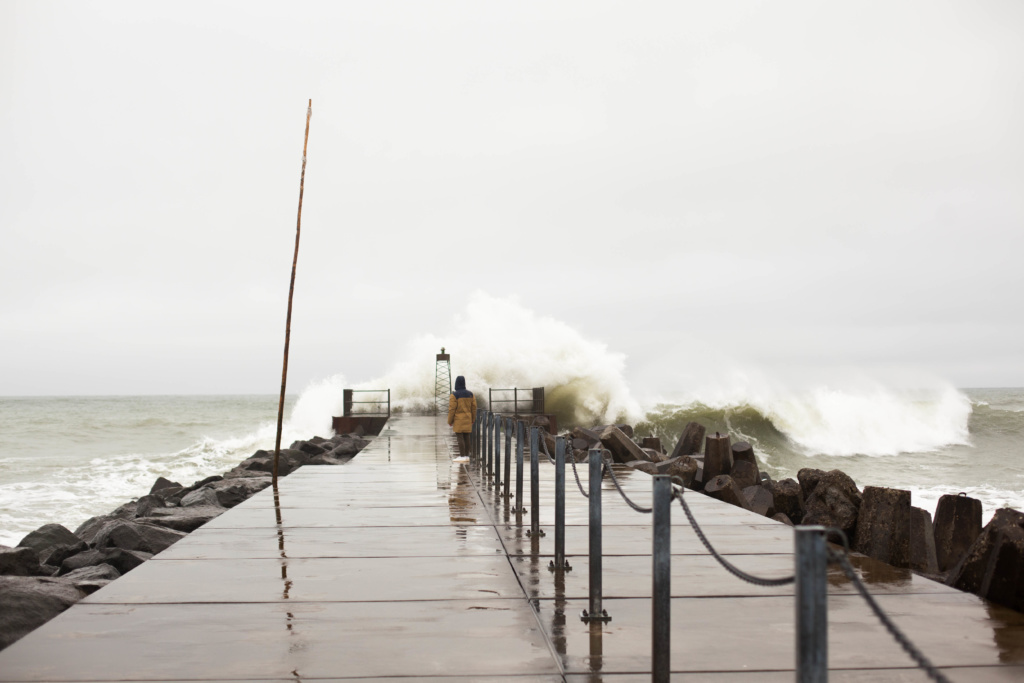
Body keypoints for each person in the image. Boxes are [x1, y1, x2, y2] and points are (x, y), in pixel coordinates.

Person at [447, 375, 477, 459]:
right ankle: (467, 455)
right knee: (467, 437)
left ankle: (462, 455)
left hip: (458, 419)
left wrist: (450, 421)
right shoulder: (471, 394)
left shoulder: (454, 395)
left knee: (460, 437)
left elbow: (452, 409)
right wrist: (473, 419)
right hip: (468, 418)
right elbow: (474, 408)